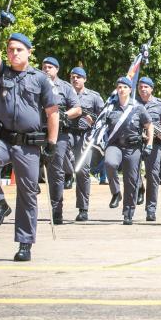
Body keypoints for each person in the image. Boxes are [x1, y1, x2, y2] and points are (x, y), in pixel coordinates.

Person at [0, 10, 58, 262]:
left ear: (29, 52)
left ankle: (25, 243)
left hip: (29, 145)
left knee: (27, 195)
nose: (13, 54)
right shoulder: (1, 74)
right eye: (11, 49)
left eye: (18, 50)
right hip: (3, 139)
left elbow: (52, 112)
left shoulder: (41, 79)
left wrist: (52, 144)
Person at [102, 77, 153, 225]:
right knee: (109, 163)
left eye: (124, 87)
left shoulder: (138, 107)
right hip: (115, 145)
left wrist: (149, 144)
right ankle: (116, 192)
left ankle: (128, 213)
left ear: (130, 90)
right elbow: (101, 124)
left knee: (131, 180)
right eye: (119, 87)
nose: (121, 89)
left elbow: (149, 125)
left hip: (133, 147)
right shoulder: (110, 107)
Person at [40, 56, 81, 224]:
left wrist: (62, 115)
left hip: (60, 134)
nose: (46, 69)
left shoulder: (65, 87)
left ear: (56, 69)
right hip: (38, 131)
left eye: (50, 67)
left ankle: (57, 210)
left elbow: (77, 109)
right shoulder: (36, 83)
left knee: (55, 171)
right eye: (44, 66)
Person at [67, 66, 104, 222]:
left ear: (84, 79)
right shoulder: (65, 94)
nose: (75, 79)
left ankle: (83, 209)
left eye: (78, 77)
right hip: (67, 134)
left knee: (83, 171)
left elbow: (104, 117)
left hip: (85, 137)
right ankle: (68, 175)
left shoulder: (94, 97)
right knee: (59, 157)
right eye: (72, 77)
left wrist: (94, 120)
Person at [135, 76, 161, 221]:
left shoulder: (159, 104)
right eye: (140, 86)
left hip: (155, 144)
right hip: (135, 143)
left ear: (151, 89)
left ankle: (150, 209)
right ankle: (139, 187)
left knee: (152, 176)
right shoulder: (132, 102)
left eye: (146, 87)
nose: (143, 89)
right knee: (132, 173)